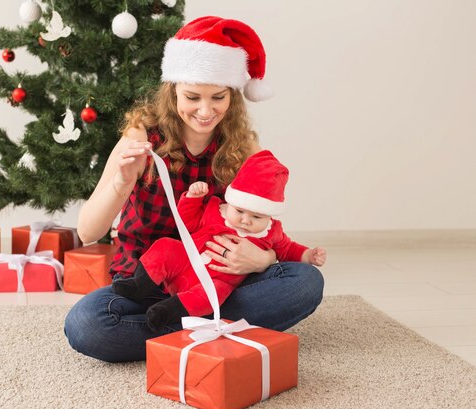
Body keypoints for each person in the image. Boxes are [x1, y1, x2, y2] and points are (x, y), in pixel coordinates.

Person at [65, 16, 324, 362]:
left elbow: (263, 228)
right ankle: (210, 329)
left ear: (232, 95)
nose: (206, 111)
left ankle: (180, 327)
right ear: (172, 91)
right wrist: (122, 183)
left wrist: (264, 259)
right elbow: (87, 232)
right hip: (148, 282)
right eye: (192, 97)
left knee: (306, 281)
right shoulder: (142, 137)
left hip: (214, 282)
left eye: (218, 97)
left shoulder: (240, 148)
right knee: (86, 324)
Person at [112, 150, 327, 331]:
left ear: (270, 216)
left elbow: (287, 249)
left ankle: (168, 312)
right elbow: (187, 223)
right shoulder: (215, 210)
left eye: (257, 217)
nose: (245, 221)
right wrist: (192, 199)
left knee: (212, 295)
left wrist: (307, 255)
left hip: (218, 282)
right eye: (240, 211)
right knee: (166, 247)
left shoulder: (272, 232)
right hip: (185, 261)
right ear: (231, 201)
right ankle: (139, 286)